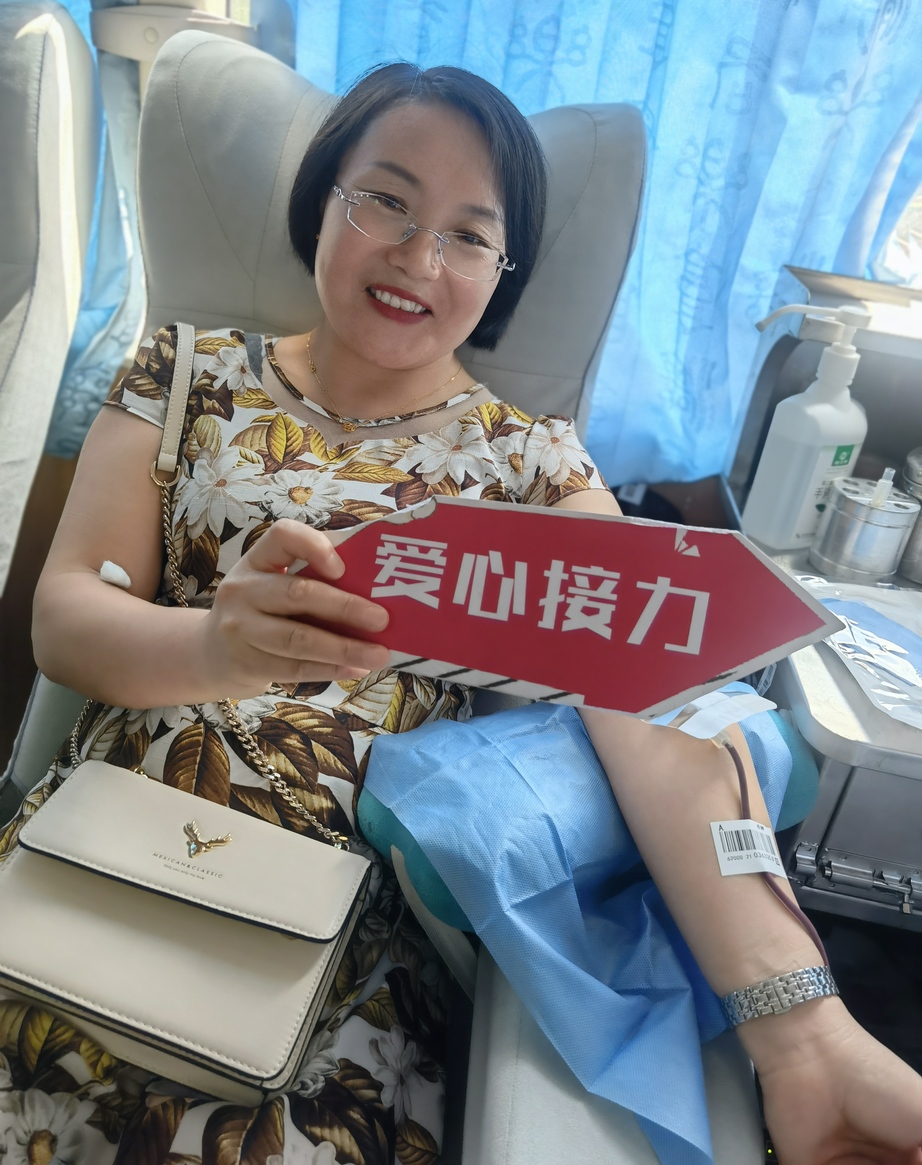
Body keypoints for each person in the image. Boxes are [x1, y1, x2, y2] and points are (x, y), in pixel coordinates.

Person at [0, 62, 919, 1165]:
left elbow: (652, 698)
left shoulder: (530, 464)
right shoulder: (182, 373)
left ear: (502, 271)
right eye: (385, 200)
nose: (418, 257)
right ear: (324, 199)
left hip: (339, 932)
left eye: (469, 235)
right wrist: (213, 645)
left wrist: (803, 1032)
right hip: (101, 845)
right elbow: (64, 619)